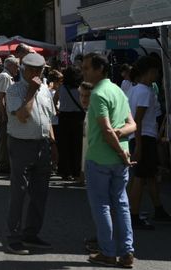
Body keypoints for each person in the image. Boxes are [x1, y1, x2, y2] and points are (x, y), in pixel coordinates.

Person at [82, 52, 135, 268]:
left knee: (102, 205)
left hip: (101, 158)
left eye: (87, 68)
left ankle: (108, 252)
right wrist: (121, 141)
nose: (83, 71)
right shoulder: (118, 91)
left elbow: (105, 129)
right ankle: (127, 251)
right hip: (120, 157)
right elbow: (132, 125)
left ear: (99, 69)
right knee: (121, 203)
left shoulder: (97, 93)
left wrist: (119, 145)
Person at [4, 53, 57, 255]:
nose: (36, 74)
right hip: (21, 144)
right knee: (19, 191)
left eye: (40, 71)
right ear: (24, 70)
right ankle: (14, 237)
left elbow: (48, 119)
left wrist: (53, 144)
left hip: (42, 145)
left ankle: (31, 233)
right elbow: (23, 115)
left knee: (40, 192)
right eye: (33, 70)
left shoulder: (45, 91)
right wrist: (32, 92)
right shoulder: (14, 90)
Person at [127, 56, 171, 230]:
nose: (158, 74)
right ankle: (133, 215)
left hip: (140, 137)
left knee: (148, 175)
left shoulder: (134, 89)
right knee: (140, 177)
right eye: (157, 71)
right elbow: (137, 120)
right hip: (144, 138)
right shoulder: (145, 91)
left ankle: (157, 209)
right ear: (150, 71)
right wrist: (139, 145)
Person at [54, 66, 85, 181]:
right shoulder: (81, 89)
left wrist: (57, 111)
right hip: (78, 118)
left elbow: (54, 101)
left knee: (64, 145)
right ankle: (76, 171)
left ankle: (64, 171)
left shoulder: (61, 88)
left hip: (64, 118)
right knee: (77, 146)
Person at [0, 56, 19, 174]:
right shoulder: (5, 76)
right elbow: (0, 98)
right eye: (16, 66)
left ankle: (6, 163)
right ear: (10, 65)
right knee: (5, 139)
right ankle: (4, 165)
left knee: (6, 138)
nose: (18, 69)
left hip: (5, 110)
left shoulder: (7, 76)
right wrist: (4, 114)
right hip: (4, 111)